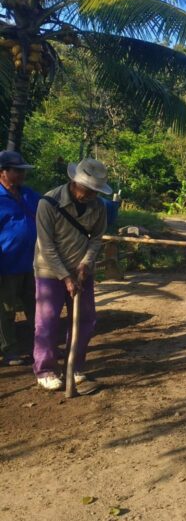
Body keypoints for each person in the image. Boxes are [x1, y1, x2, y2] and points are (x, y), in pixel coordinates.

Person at [33, 158, 110, 391]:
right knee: (47, 321)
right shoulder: (48, 202)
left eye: (94, 192)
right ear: (74, 182)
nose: (89, 195)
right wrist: (65, 277)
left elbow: (96, 239)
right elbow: (47, 247)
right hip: (49, 270)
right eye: (86, 190)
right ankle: (45, 370)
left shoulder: (99, 206)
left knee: (86, 319)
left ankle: (74, 366)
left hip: (82, 271)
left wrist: (85, 264)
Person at [0, 151, 39, 366]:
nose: (22, 174)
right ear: (3, 172)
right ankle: (10, 351)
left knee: (37, 307)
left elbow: (50, 207)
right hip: (7, 264)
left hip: (33, 263)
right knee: (6, 310)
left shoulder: (28, 195)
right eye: (17, 170)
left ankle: (43, 346)